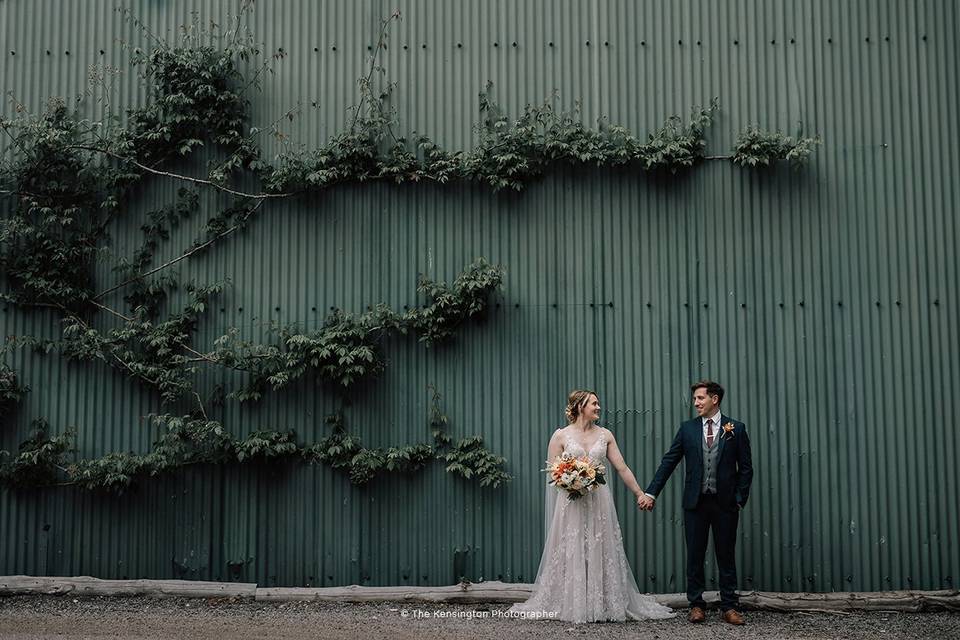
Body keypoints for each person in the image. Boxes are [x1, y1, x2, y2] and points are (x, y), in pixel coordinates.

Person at [509, 389, 675, 623]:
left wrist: (640, 493)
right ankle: (571, 602)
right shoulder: (560, 436)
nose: (598, 407)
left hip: (599, 501)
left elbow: (622, 468)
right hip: (571, 502)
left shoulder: (605, 435)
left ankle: (602, 603)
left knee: (600, 546)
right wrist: (570, 481)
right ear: (580, 406)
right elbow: (552, 473)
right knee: (573, 547)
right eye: (594, 403)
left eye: (598, 404)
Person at [638, 380, 754, 625]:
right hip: (695, 503)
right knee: (694, 555)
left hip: (725, 505)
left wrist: (739, 499)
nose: (696, 403)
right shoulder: (687, 429)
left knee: (726, 555)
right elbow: (669, 461)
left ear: (715, 399)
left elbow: (745, 469)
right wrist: (651, 492)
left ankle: (729, 606)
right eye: (695, 399)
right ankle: (696, 605)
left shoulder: (737, 429)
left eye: (700, 398)